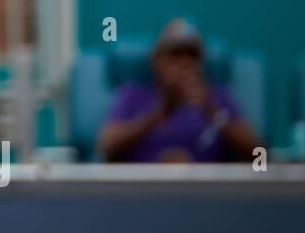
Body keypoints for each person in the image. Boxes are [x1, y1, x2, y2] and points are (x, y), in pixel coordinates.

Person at [98, 19, 262, 163]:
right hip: (145, 190)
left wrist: (209, 109)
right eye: (175, 55)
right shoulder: (132, 96)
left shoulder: (218, 98)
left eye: (192, 55)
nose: (185, 62)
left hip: (206, 191)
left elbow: (259, 155)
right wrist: (160, 113)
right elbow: (106, 149)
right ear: (156, 60)